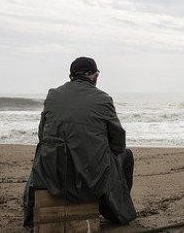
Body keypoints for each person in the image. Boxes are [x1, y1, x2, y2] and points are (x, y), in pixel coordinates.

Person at [23, 57, 136, 230]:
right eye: (97, 75)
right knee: (126, 156)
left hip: (51, 177)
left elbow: (42, 135)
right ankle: (115, 211)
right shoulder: (103, 99)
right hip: (90, 179)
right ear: (93, 76)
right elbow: (118, 142)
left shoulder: (53, 95)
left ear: (71, 76)